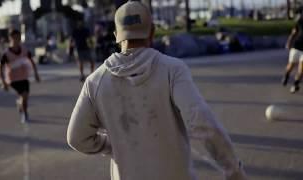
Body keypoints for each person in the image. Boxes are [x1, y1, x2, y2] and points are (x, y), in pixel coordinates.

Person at [67, 1, 247, 180]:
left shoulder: (95, 81)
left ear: (116, 35)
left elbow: (76, 137)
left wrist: (114, 145)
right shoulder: (172, 69)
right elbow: (202, 122)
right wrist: (234, 171)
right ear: (152, 32)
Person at [0, 29, 40, 123]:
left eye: (19, 37)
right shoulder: (6, 54)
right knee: (24, 96)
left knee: (24, 97)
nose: (17, 39)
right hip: (13, 79)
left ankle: (20, 104)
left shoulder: (25, 50)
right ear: (11, 38)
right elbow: (0, 67)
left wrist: (36, 74)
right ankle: (25, 114)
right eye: (15, 37)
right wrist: (3, 82)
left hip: (24, 78)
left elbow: (32, 62)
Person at [282, 13, 303, 93]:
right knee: (291, 66)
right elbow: (293, 33)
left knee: (301, 70)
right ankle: (286, 75)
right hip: (296, 47)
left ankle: (295, 85)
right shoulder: (300, 22)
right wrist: (289, 41)